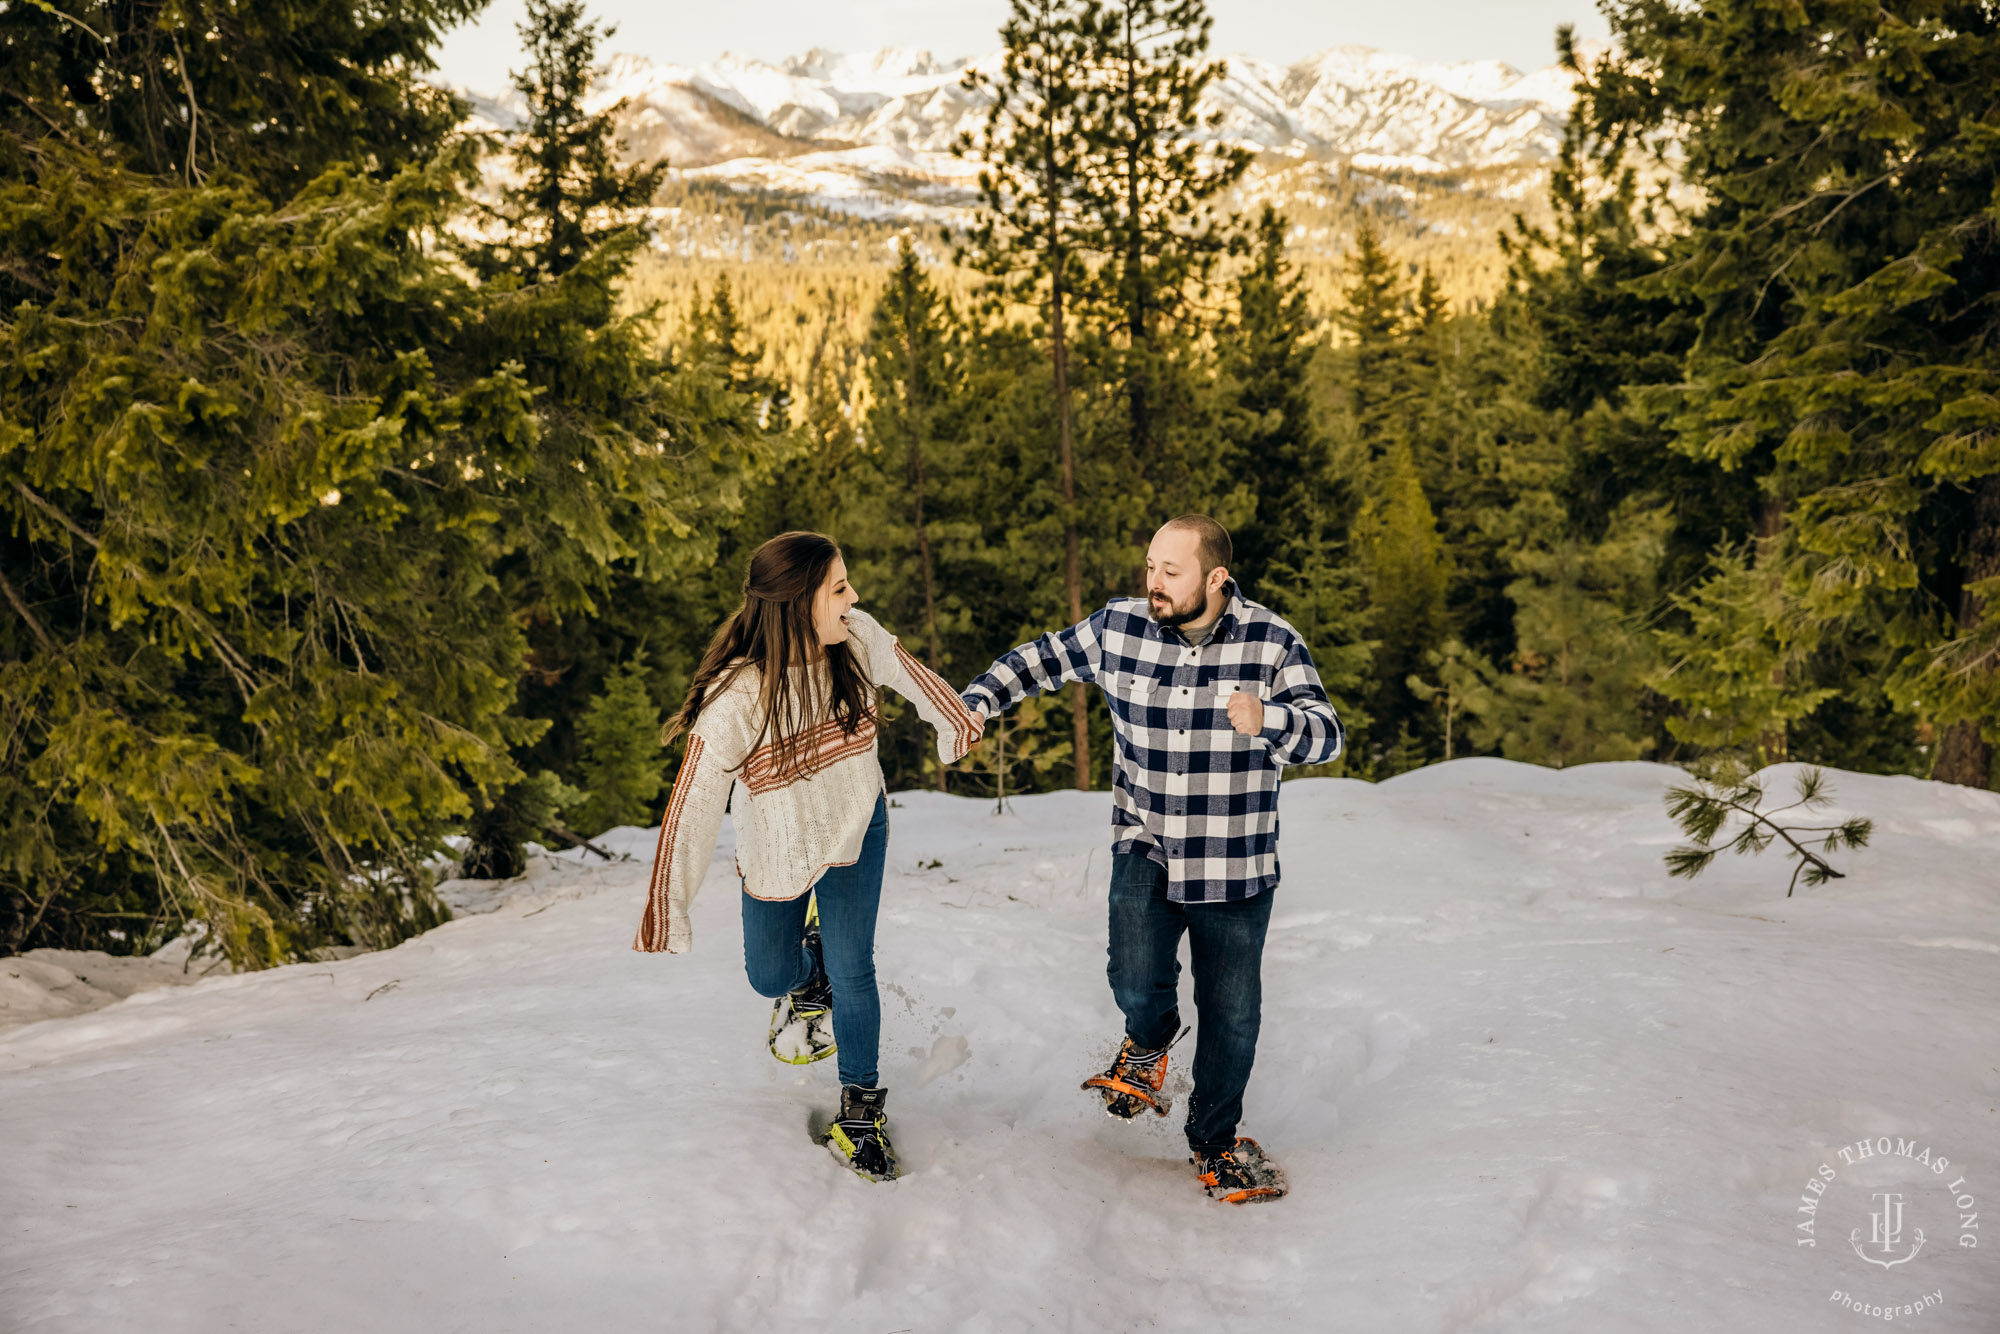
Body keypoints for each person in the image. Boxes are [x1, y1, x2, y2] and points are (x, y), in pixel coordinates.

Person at [960, 515, 1341, 1204]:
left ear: (1216, 578)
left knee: (1232, 1016)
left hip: (1235, 861)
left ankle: (1216, 1143)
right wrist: (980, 699)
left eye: (1172, 571)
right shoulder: (1118, 628)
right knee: (1133, 974)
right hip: (1147, 842)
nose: (1154, 583)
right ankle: (1149, 1042)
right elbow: (1039, 658)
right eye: (1150, 567)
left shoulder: (1272, 642)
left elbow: (1328, 736)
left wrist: (1272, 720)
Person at [632, 531, 981, 1181]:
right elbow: (692, 809)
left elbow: (915, 677)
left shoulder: (856, 638)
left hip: (856, 829)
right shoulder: (739, 698)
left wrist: (956, 723)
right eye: (839, 588)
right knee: (769, 976)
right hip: (778, 851)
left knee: (857, 970)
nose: (855, 597)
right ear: (796, 604)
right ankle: (807, 969)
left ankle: (860, 1108)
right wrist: (666, 908)